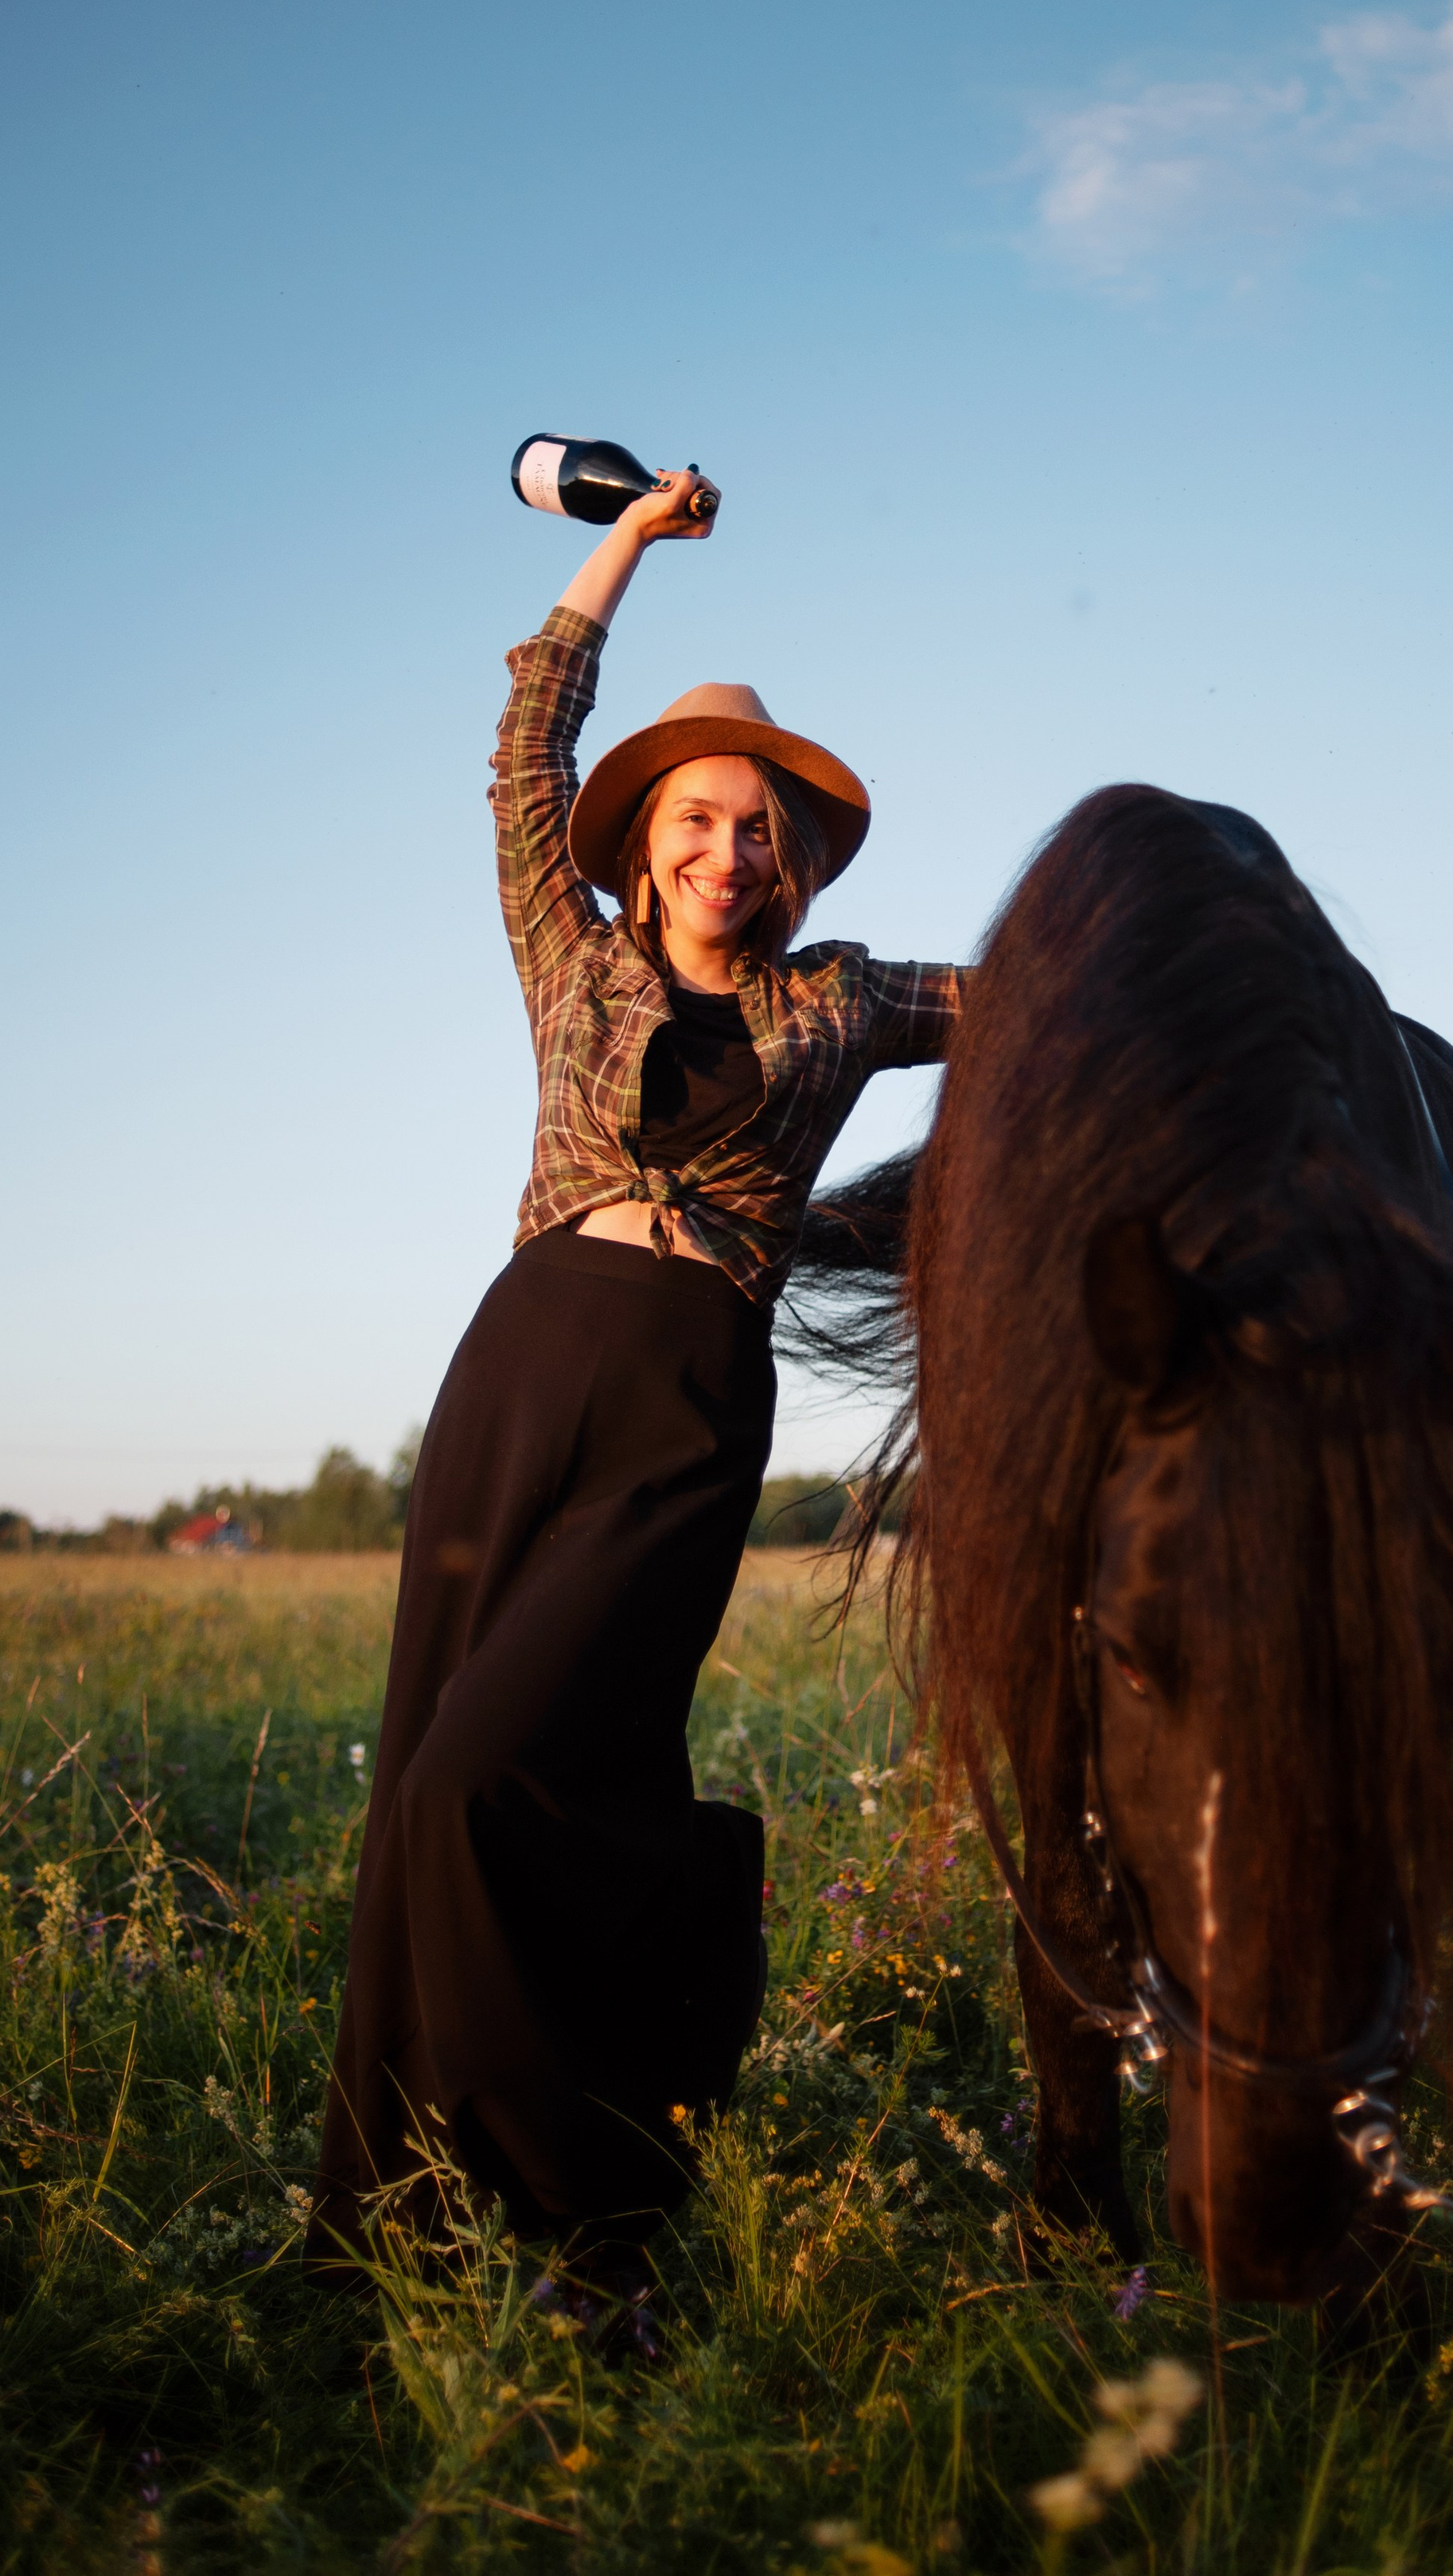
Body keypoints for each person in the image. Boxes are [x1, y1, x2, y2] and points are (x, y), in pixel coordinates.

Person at [311, 467, 965, 2310]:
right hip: (524, 1367)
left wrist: (1208, 956)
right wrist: (623, 544)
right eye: (694, 818)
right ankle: (414, 2209)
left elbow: (1042, 997)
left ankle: (591, 2201)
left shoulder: (839, 1000)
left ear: (793, 857)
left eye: (756, 827)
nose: (723, 850)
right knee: (438, 1779)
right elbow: (527, 739)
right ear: (644, 841)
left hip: (685, 1400)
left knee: (505, 1775)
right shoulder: (569, 951)